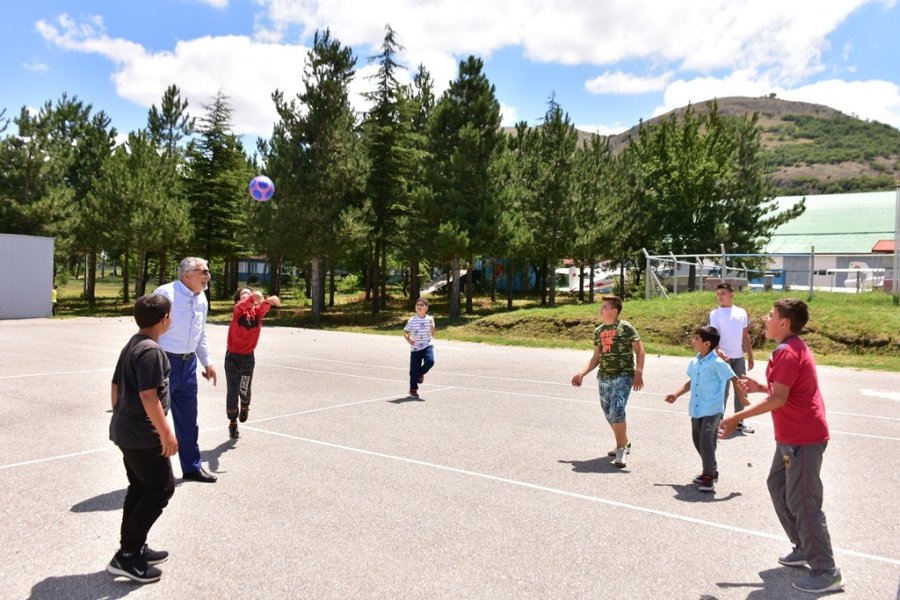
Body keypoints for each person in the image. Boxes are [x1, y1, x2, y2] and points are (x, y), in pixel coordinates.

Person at [719, 298, 842, 594]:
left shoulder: (787, 352)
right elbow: (781, 390)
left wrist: (737, 416)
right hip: (790, 436)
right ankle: (803, 545)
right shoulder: (789, 349)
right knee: (777, 484)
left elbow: (779, 400)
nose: (766, 318)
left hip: (803, 437)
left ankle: (826, 570)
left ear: (784, 323)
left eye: (771, 315)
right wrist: (760, 386)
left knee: (803, 501)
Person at [107, 293, 178, 584]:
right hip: (143, 435)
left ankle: (132, 547)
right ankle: (127, 556)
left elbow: (115, 387)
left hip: (127, 431)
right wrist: (165, 433)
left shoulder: (133, 344)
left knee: (139, 487)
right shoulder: (151, 351)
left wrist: (121, 417)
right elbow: (149, 395)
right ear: (165, 320)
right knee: (161, 489)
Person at [153, 257, 218, 483]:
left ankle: (191, 468)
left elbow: (201, 333)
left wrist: (207, 362)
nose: (208, 275)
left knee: (189, 419)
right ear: (187, 274)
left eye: (208, 271)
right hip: (164, 362)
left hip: (188, 364)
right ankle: (154, 472)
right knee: (157, 419)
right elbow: (149, 325)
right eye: (204, 271)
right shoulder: (166, 293)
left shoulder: (201, 299)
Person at [665, 326, 747, 492]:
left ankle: (709, 476)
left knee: (706, 440)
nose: (693, 341)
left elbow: (735, 379)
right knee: (698, 440)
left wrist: (743, 398)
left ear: (707, 344)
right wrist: (676, 394)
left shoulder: (717, 363)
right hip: (696, 409)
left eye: (696, 339)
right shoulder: (695, 361)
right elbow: (690, 382)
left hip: (712, 409)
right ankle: (711, 469)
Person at [571, 295, 645, 468]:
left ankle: (621, 450)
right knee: (608, 412)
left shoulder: (625, 327)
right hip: (604, 376)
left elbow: (640, 351)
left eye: (605, 307)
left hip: (623, 375)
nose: (601, 310)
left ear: (614, 310)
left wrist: (639, 373)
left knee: (618, 410)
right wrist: (581, 373)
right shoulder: (598, 331)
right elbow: (596, 357)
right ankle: (625, 442)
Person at [225, 286, 280, 439]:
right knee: (232, 390)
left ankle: (245, 404)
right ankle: (232, 423)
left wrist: (269, 300)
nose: (248, 295)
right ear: (238, 299)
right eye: (244, 294)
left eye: (250, 293)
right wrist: (252, 298)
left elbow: (263, 307)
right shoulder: (237, 310)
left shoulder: (257, 313)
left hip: (248, 357)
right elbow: (243, 305)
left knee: (244, 388)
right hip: (232, 356)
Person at [708, 282, 755, 433]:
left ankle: (739, 422)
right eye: (718, 294)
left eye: (723, 293)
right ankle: (719, 424)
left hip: (738, 357)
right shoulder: (715, 314)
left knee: (741, 390)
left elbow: (745, 335)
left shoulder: (741, 312)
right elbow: (712, 336)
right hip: (722, 359)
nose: (720, 296)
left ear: (731, 295)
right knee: (722, 391)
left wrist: (750, 355)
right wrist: (718, 350)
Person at [404, 297, 435, 398]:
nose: (419, 306)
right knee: (413, 371)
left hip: (427, 345)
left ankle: (421, 373)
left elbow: (433, 334)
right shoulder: (412, 320)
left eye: (422, 305)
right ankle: (413, 389)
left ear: (426, 307)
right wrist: (409, 339)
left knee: (430, 361)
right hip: (415, 348)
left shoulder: (430, 319)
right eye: (417, 305)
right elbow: (405, 333)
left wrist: (432, 328)